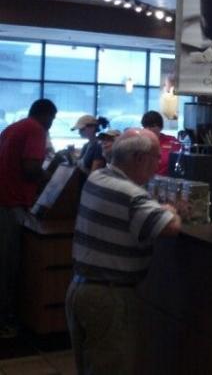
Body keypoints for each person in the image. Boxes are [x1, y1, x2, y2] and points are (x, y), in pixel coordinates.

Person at [65, 128, 181, 374]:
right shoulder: (130, 194)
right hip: (108, 297)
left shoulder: (97, 178)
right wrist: (171, 210)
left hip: (79, 288)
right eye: (156, 157)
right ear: (139, 158)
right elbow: (170, 227)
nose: (158, 164)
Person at [0, 99, 57, 339]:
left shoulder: (13, 128)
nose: (51, 125)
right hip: (11, 203)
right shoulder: (36, 129)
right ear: (47, 115)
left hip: (3, 198)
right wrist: (51, 182)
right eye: (52, 119)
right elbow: (31, 168)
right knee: (8, 265)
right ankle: (5, 321)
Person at [141, 110, 181, 176]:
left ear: (160, 127)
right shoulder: (139, 143)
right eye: (145, 126)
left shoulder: (172, 141)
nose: (148, 129)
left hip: (167, 179)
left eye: (152, 126)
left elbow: (180, 162)